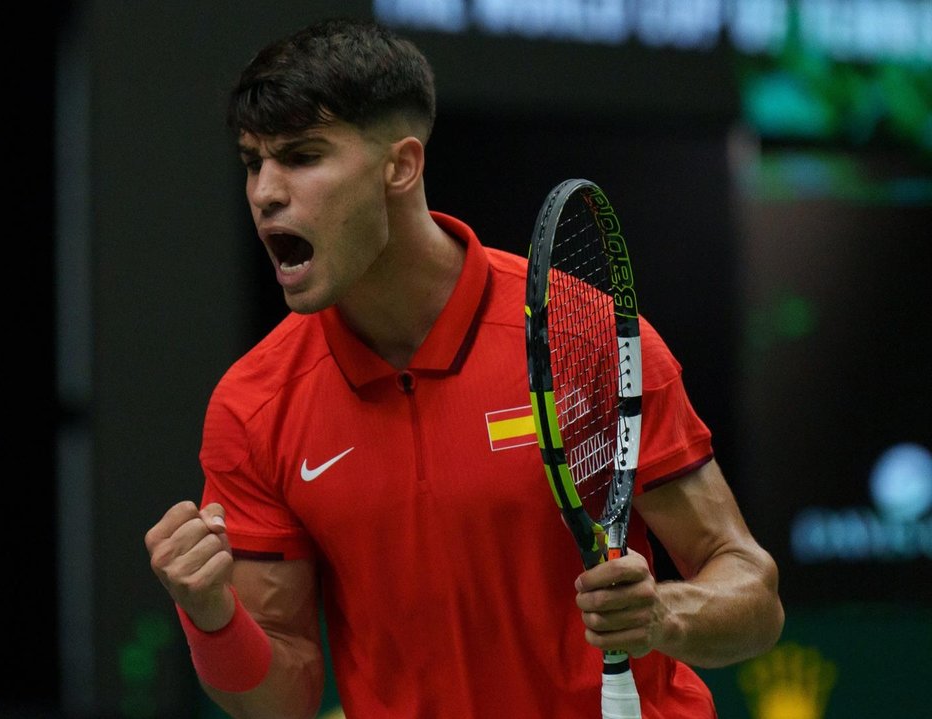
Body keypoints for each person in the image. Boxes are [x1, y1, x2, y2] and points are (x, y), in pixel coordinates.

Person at [144, 18, 783, 719]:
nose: (265, 191)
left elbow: (751, 591)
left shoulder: (583, 336)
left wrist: (663, 615)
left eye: (300, 156)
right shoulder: (255, 406)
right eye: (252, 161)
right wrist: (211, 615)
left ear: (401, 165)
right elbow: (283, 701)